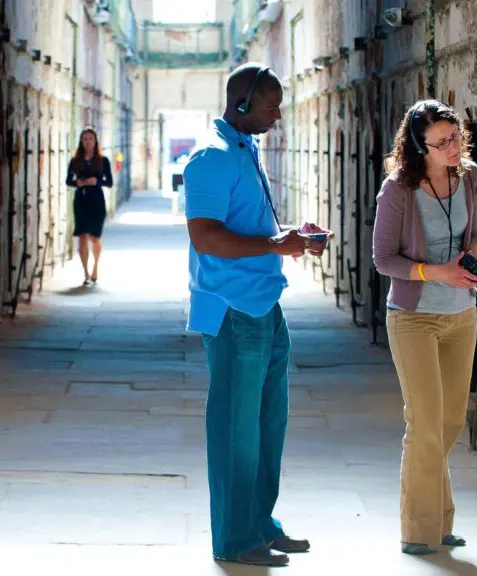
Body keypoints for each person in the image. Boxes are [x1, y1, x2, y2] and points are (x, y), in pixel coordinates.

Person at [182, 62, 333, 568]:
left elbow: (249, 225)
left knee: (269, 423)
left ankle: (259, 523)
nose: (279, 113)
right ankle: (233, 537)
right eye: (272, 104)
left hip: (265, 305)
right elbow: (204, 235)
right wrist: (275, 243)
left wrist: (291, 235)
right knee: (234, 428)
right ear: (242, 103)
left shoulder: (245, 151)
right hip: (232, 309)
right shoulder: (211, 158)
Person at [372, 99, 477, 556]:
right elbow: (384, 259)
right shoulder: (397, 190)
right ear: (419, 147)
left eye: (455, 137)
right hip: (414, 318)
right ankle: (419, 530)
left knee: (449, 420)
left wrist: (475, 258)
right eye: (440, 142)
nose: (452, 148)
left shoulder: (470, 177)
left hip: (462, 313)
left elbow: (473, 232)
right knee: (423, 423)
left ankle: (439, 523)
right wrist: (436, 272)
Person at [66, 128, 113, 286]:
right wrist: (76, 183)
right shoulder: (75, 161)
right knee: (82, 236)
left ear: (95, 141)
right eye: (85, 139)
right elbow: (68, 180)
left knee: (95, 237)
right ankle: (85, 273)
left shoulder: (103, 161)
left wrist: (96, 182)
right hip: (81, 200)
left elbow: (109, 182)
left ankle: (95, 267)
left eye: (90, 139)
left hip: (96, 201)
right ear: (81, 141)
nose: (87, 142)